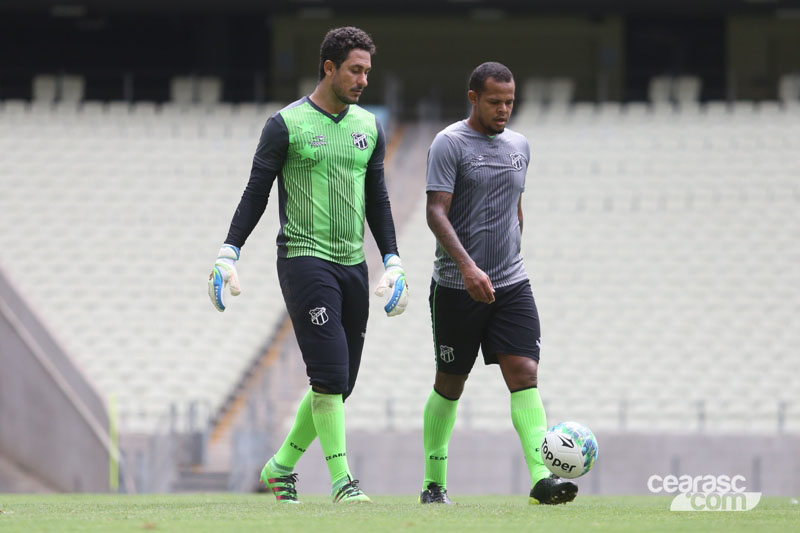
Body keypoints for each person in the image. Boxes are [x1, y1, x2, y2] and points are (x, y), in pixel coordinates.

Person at [208, 26, 408, 504]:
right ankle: (343, 482)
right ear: (329, 68)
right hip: (303, 260)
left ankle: (279, 467)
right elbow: (256, 192)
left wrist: (393, 259)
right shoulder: (286, 125)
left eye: (367, 71)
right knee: (330, 376)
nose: (363, 80)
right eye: (355, 70)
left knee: (341, 384)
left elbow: (377, 198)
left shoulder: (367, 127)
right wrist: (228, 252)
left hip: (352, 265)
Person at [419, 61, 577, 505]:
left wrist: (508, 257)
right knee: (451, 382)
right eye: (495, 102)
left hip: (511, 282)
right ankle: (434, 484)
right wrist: (469, 268)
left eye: (510, 101)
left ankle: (542, 479)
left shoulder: (520, 146)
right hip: (455, 284)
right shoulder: (448, 144)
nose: (504, 109)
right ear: (473, 98)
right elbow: (436, 212)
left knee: (525, 374)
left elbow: (515, 207)